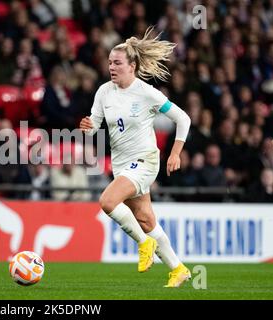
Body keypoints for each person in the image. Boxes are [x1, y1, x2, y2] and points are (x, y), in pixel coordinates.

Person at [79, 27, 192, 288]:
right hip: (122, 165)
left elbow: (183, 118)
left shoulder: (146, 93)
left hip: (144, 161)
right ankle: (178, 269)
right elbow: (96, 123)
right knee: (146, 220)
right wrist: (89, 126)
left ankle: (144, 243)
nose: (111, 67)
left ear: (132, 66)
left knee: (107, 201)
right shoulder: (104, 92)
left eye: (117, 62)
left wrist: (175, 153)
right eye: (109, 63)